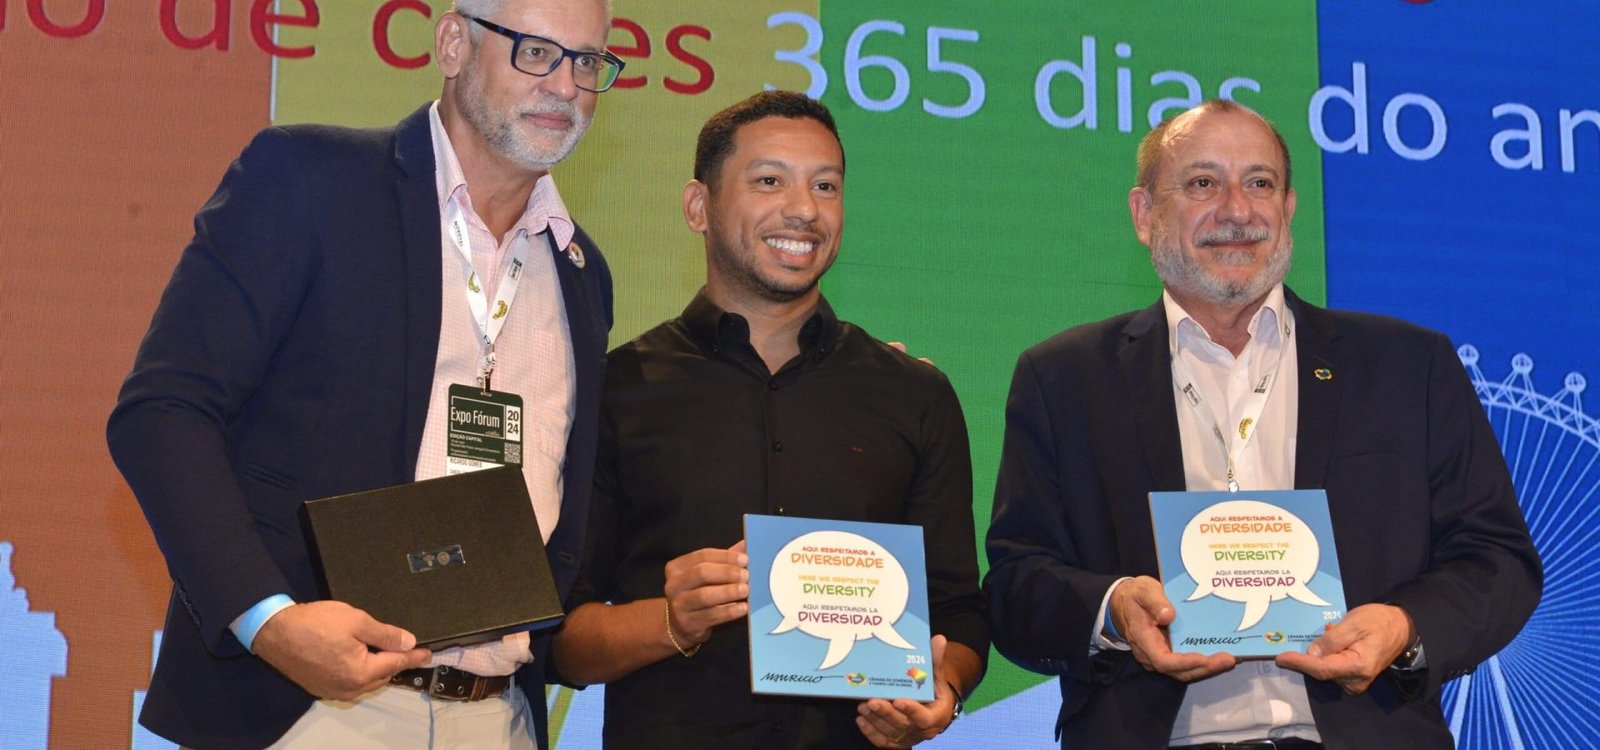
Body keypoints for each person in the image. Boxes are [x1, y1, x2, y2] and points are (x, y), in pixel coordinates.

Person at [105, 1, 620, 747]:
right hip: (309, 708)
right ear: (452, 44)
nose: (566, 86)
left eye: (588, 63)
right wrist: (269, 621)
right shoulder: (308, 180)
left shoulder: (582, 273)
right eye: (536, 53)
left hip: (498, 713)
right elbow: (164, 411)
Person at [983, 99, 1542, 748]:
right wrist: (1113, 611)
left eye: (1259, 183)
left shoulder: (1406, 366)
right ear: (1144, 215)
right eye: (1202, 183)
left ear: (1289, 208)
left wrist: (1403, 626)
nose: (1237, 210)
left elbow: (1498, 559)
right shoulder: (1065, 380)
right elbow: (1016, 586)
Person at [548, 91, 988, 749]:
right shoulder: (618, 388)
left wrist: (939, 693)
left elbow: (956, 612)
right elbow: (561, 641)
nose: (804, 209)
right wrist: (672, 620)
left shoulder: (913, 394)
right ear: (699, 206)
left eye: (826, 185)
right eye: (769, 181)